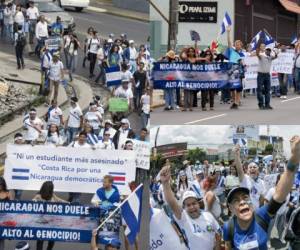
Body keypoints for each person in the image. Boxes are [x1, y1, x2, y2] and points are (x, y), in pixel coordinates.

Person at [223, 136, 300, 250]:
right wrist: (237, 156)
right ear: (230, 208)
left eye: (245, 197)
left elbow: (279, 194)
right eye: (236, 200)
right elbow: (228, 247)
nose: (243, 201)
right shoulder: (228, 227)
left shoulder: (261, 214)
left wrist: (294, 158)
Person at [160, 165, 222, 250]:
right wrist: (165, 183)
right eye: (188, 205)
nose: (192, 207)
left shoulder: (208, 215)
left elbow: (218, 234)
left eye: (194, 203)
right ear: (184, 207)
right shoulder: (183, 218)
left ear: (198, 203)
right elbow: (172, 203)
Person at [33, 181, 67, 250]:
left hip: (48, 221)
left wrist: (68, 203)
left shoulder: (52, 195)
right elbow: (32, 203)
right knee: (44, 240)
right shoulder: (38, 196)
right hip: (43, 221)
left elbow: (59, 200)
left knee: (45, 239)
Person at [91, 175, 121, 250]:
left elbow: (118, 205)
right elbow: (93, 201)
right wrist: (102, 204)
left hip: (112, 221)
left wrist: (108, 205)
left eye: (105, 182)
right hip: (102, 218)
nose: (103, 183)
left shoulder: (116, 194)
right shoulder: (100, 191)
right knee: (99, 237)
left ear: (110, 183)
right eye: (103, 182)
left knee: (112, 242)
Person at [226, 26, 245, 109]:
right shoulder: (232, 51)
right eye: (236, 44)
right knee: (232, 88)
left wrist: (242, 62)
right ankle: (234, 101)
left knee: (238, 88)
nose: (237, 45)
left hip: (239, 72)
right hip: (231, 71)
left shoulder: (242, 54)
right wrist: (228, 32)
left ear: (241, 46)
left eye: (239, 44)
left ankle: (236, 102)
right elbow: (229, 42)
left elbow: (243, 63)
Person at [256, 44, 278, 110]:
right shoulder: (262, 55)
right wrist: (258, 49)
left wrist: (276, 51)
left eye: (269, 50)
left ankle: (267, 104)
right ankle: (261, 104)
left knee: (267, 90)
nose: (268, 51)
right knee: (259, 90)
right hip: (260, 75)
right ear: (265, 51)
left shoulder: (270, 57)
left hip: (267, 75)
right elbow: (257, 55)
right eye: (267, 50)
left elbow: (275, 57)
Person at [0, 177, 12, 250]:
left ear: (3, 185)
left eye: (0, 185)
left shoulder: (7, 193)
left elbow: (11, 207)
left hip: (3, 219)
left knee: (1, 238)